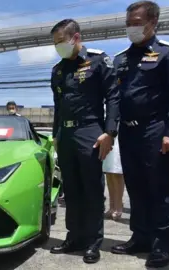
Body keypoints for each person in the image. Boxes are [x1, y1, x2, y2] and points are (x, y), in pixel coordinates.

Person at [110, 1, 169, 267]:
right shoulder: (121, 58)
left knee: (159, 188)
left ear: (153, 22)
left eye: (137, 22)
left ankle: (161, 245)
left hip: (156, 130)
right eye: (129, 22)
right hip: (128, 132)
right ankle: (140, 237)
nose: (132, 27)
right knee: (136, 186)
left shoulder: (168, 54)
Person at [49, 19, 119, 264]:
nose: (58, 46)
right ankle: (74, 237)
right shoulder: (58, 69)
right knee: (71, 189)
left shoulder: (98, 60)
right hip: (66, 136)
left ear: (75, 38)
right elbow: (58, 106)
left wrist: (109, 131)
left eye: (60, 41)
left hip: (90, 132)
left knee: (91, 189)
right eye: (55, 43)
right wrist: (56, 134)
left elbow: (113, 96)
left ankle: (92, 242)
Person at [103, 133, 124, 221]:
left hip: (118, 134)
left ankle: (118, 206)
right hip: (106, 134)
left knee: (117, 172)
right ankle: (111, 206)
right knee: (109, 171)